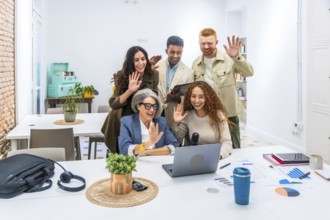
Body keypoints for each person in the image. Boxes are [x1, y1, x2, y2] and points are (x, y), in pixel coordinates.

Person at [192, 28, 254, 149]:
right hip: (205, 115)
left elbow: (249, 72)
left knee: (234, 150)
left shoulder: (229, 58)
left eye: (209, 43)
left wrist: (237, 57)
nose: (206, 46)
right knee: (209, 150)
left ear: (216, 42)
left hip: (228, 114)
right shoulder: (196, 63)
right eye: (202, 43)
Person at [101, 46, 159, 153]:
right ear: (130, 62)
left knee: (141, 151)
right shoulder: (121, 76)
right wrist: (130, 90)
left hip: (143, 117)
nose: (141, 63)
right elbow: (114, 104)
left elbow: (154, 97)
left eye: (143, 59)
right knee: (122, 153)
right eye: (136, 60)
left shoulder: (153, 74)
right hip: (122, 118)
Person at [172, 81, 232, 159]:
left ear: (208, 98)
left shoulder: (219, 115)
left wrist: (218, 156)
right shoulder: (188, 115)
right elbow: (177, 140)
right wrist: (176, 123)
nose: (196, 100)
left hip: (216, 158)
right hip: (194, 159)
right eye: (193, 96)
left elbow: (227, 142)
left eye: (201, 97)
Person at [119, 88, 179, 156]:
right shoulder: (127, 122)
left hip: (157, 162)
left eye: (154, 106)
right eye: (148, 106)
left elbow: (174, 146)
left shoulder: (161, 122)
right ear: (138, 106)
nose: (152, 110)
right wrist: (149, 143)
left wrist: (147, 152)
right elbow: (124, 149)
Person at [156, 36, 194, 128]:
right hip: (155, 113)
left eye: (179, 52)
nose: (175, 56)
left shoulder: (189, 72)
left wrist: (178, 99)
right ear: (166, 51)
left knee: (173, 141)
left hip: (174, 116)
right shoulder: (157, 66)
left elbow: (189, 98)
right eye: (172, 52)